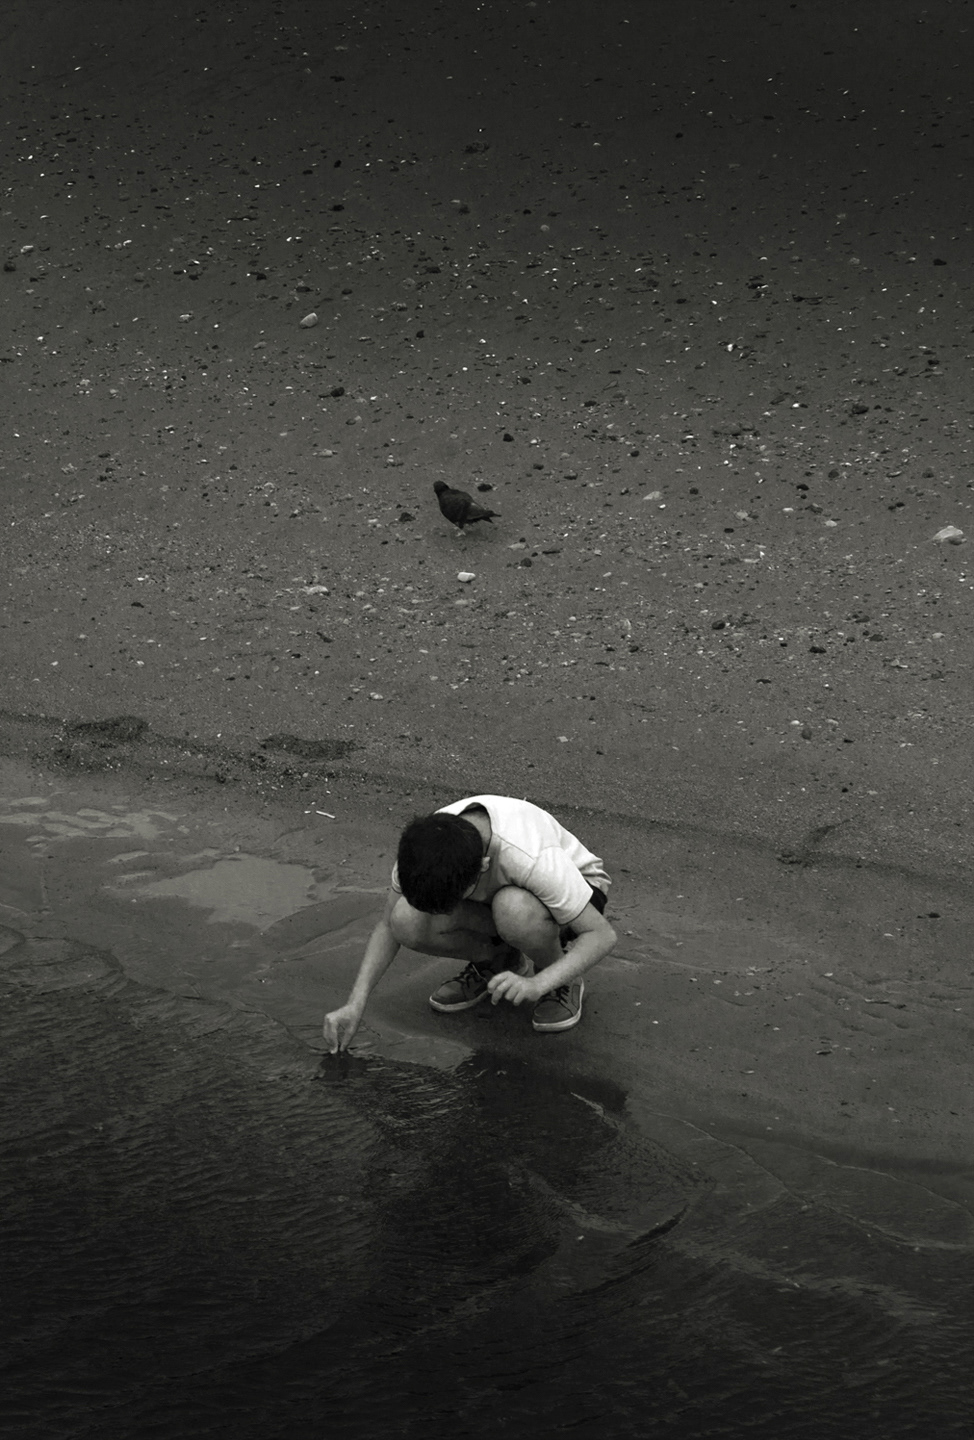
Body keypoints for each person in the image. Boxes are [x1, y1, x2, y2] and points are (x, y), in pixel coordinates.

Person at [322, 794, 616, 1053]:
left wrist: (539, 984)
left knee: (514, 910)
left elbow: (601, 935)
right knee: (404, 919)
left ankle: (560, 975)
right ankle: (500, 963)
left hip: (579, 892)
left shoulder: (529, 856)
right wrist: (356, 1002)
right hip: (496, 895)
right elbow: (387, 926)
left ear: (482, 869)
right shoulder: (420, 853)